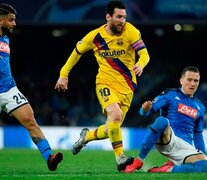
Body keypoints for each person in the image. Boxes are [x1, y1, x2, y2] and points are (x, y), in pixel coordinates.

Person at [55, 0, 150, 171]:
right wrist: (63, 74)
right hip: (104, 83)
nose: (122, 20)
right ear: (108, 16)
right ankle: (120, 158)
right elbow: (76, 53)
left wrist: (141, 64)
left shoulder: (131, 31)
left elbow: (144, 54)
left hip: (127, 87)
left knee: (111, 127)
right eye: (119, 16)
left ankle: (86, 137)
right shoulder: (95, 36)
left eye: (124, 17)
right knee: (115, 115)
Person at [0, 3, 63, 171]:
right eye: (11, 20)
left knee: (30, 120)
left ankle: (49, 157)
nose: (14, 24)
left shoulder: (6, 39)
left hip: (8, 89)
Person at [124, 66, 207, 173]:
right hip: (168, 138)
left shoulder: (200, 107)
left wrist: (203, 155)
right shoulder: (170, 94)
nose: (192, 84)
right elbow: (144, 113)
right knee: (161, 120)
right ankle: (139, 160)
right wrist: (145, 109)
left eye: (196, 81)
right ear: (181, 80)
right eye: (189, 80)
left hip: (185, 147)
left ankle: (168, 168)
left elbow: (198, 134)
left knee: (204, 166)